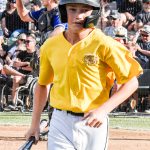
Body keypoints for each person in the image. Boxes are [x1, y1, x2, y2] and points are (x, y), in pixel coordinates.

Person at [25, 0, 143, 149]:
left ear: (94, 13)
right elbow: (42, 84)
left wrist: (103, 111)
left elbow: (132, 82)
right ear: (63, 11)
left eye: (84, 10)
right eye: (72, 9)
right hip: (60, 121)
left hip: (93, 122)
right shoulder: (50, 46)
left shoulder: (104, 44)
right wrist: (34, 124)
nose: (78, 16)